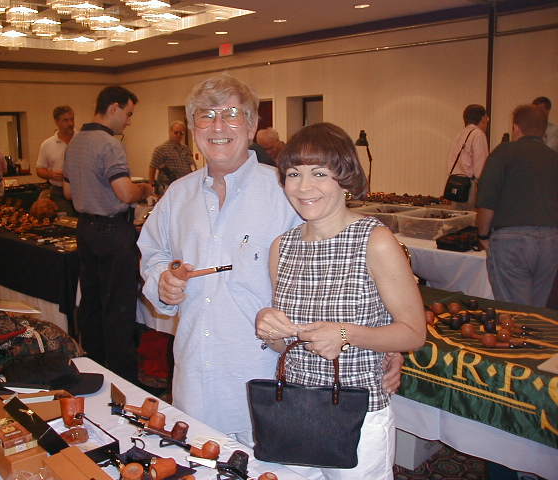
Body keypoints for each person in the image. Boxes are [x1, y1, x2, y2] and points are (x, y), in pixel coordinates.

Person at [137, 75, 404, 443]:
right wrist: (163, 280)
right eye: (205, 115)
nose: (218, 125)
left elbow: (348, 265)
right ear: (193, 126)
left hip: (270, 374)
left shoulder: (291, 190)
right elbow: (153, 254)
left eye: (231, 113)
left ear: (251, 125)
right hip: (194, 373)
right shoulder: (177, 196)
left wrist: (386, 344)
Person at [255, 122, 425, 479]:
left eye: (319, 173)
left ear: (344, 178)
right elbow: (283, 345)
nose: (303, 187)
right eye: (293, 174)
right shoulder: (281, 247)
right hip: (294, 407)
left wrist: (346, 334)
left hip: (357, 414)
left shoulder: (375, 241)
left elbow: (413, 334)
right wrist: (270, 329)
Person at [63, 86, 153, 382]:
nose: (129, 121)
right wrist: (144, 189)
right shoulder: (108, 144)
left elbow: (66, 190)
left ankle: (95, 368)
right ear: (113, 108)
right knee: (119, 307)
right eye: (128, 114)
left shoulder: (75, 141)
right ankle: (123, 378)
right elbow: (125, 192)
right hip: (113, 232)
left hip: (85, 230)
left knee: (92, 302)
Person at [477, 104, 558, 308]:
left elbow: (487, 201)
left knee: (515, 309)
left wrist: (483, 236)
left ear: (516, 128)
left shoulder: (503, 153)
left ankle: (519, 339)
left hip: (512, 241)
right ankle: (536, 338)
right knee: (538, 310)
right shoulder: (553, 158)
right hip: (551, 241)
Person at [446, 104, 489, 210]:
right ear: (482, 118)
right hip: (470, 188)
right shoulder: (478, 135)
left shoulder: (460, 134)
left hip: (455, 184)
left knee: (457, 221)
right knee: (470, 222)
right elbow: (481, 169)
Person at [36, 105, 76, 215]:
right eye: (65, 120)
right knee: (66, 222)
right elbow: (39, 170)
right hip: (59, 191)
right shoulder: (47, 144)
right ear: (57, 121)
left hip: (82, 191)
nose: (70, 124)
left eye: (72, 119)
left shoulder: (83, 140)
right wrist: (52, 175)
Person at [148, 120, 195, 194]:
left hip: (185, 187)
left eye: (181, 133)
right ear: (170, 132)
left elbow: (192, 166)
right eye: (176, 132)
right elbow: (152, 168)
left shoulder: (186, 149)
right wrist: (152, 186)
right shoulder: (161, 149)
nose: (179, 135)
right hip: (168, 187)